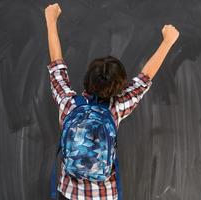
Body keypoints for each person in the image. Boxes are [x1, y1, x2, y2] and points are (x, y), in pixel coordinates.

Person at [44, 3, 179, 200]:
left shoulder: (68, 103)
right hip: (105, 193)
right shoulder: (117, 108)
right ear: (119, 88)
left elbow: (57, 66)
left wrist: (51, 20)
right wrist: (167, 41)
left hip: (69, 193)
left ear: (87, 79)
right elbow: (144, 78)